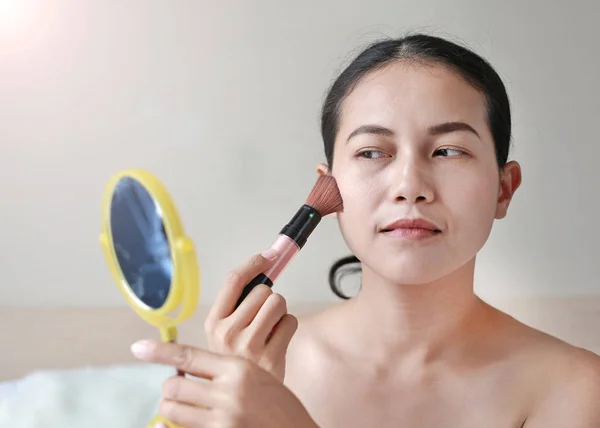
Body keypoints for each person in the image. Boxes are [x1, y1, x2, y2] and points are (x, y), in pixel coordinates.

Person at [130, 33, 600, 427]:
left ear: (504, 188)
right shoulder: (262, 373)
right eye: (373, 152)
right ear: (326, 186)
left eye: (448, 150)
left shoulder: (573, 388)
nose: (410, 187)